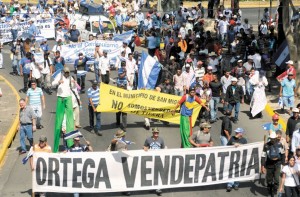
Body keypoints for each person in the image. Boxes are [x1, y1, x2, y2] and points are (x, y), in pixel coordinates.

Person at [51, 67, 76, 153]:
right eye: (66, 72)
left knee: (70, 118)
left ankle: (70, 143)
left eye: (68, 73)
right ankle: (55, 148)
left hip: (68, 97)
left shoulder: (70, 78)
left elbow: (73, 87)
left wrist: (74, 83)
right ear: (63, 72)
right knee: (59, 120)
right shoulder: (59, 76)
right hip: (61, 98)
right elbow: (52, 84)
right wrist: (58, 82)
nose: (67, 74)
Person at [143, 127, 165, 196]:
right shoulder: (148, 139)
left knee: (158, 174)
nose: (156, 134)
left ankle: (158, 188)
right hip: (151, 159)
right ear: (152, 133)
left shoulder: (161, 140)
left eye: (157, 133)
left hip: (158, 159)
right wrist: (144, 148)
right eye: (155, 132)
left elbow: (163, 148)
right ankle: (152, 186)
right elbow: (144, 146)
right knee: (151, 174)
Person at [226, 128, 247, 192]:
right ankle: (229, 185)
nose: (236, 134)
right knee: (231, 171)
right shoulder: (232, 138)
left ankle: (236, 184)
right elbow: (227, 146)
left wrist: (240, 146)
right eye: (236, 132)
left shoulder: (244, 140)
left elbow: (246, 149)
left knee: (238, 172)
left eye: (237, 132)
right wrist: (233, 146)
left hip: (239, 159)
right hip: (232, 158)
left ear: (241, 133)